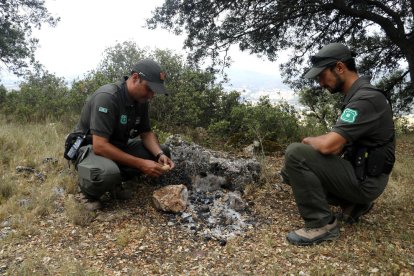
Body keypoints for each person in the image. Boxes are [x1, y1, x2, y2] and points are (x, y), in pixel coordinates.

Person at [281, 43, 395, 246]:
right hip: (361, 173)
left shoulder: (365, 100)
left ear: (340, 68)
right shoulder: (359, 96)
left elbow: (330, 146)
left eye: (321, 76)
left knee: (296, 153)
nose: (320, 83)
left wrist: (308, 141)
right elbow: (341, 144)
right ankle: (353, 204)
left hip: (365, 182)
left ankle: (321, 224)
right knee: (290, 172)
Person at [68, 59, 175, 211]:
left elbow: (146, 132)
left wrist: (159, 154)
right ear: (135, 78)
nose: (151, 95)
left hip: (117, 146)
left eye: (154, 91)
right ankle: (86, 192)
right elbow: (100, 146)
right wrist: (141, 164)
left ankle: (115, 183)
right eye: (149, 88)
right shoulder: (108, 97)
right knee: (108, 173)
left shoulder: (141, 100)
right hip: (88, 148)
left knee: (163, 150)